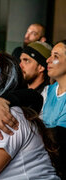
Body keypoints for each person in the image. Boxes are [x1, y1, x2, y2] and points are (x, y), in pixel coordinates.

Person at [41, 40, 66, 179]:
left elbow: (59, 136)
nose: (48, 60)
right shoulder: (47, 91)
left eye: (55, 56)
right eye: (50, 55)